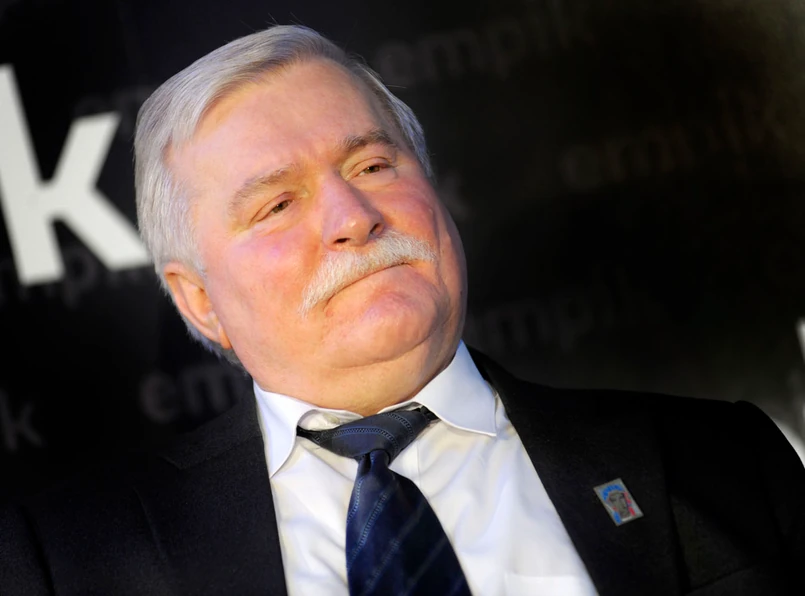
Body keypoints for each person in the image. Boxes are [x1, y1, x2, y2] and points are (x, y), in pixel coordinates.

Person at [1, 24, 804, 596]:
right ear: (199, 301)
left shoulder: (717, 459)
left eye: (374, 165)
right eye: (277, 205)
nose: (353, 217)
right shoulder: (64, 564)